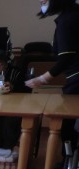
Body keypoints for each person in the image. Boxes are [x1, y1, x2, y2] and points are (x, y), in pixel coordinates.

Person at [26, 0, 79, 150]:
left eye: (44, 0)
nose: (41, 3)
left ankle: (69, 161)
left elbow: (66, 58)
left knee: (67, 124)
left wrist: (42, 79)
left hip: (77, 80)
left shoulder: (67, 21)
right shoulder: (74, 15)